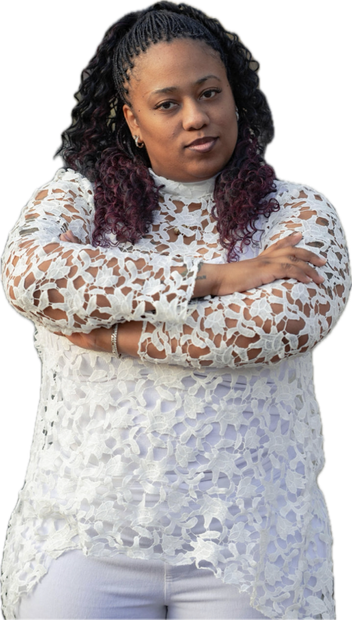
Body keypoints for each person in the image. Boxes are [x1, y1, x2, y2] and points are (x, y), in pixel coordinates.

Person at [0, 1, 350, 618]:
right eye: (168, 104)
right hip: (86, 531)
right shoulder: (77, 200)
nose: (197, 118)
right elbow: (33, 276)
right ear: (132, 119)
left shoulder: (297, 211)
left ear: (235, 96)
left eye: (210, 93)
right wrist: (214, 277)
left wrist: (114, 336)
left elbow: (279, 324)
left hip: (247, 536)